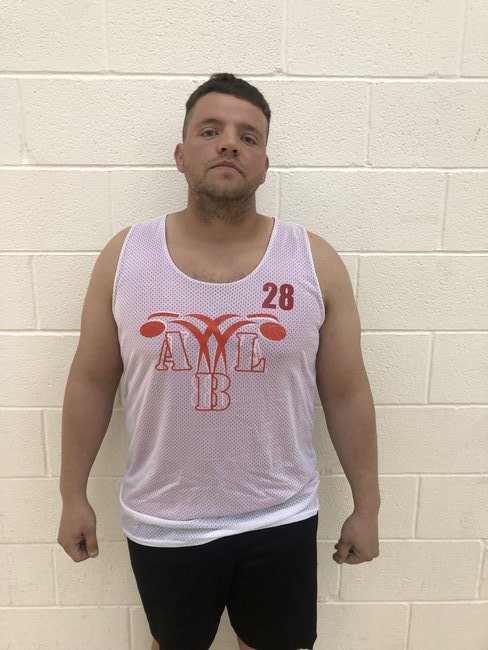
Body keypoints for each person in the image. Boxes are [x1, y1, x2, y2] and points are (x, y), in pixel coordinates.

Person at [57, 72, 380, 650]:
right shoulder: (126, 257)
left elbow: (347, 392)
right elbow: (90, 381)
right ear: (181, 156)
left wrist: (368, 506)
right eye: (210, 131)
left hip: (279, 517)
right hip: (165, 523)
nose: (230, 143)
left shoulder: (313, 261)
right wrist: (72, 495)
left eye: (248, 137)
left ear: (264, 165)